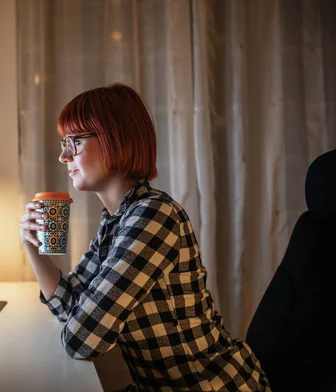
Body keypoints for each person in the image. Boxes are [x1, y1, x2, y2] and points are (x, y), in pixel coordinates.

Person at [19, 83, 271, 391]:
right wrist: (33, 249)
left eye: (73, 142)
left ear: (114, 139)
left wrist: (80, 318)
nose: (63, 156)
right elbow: (69, 305)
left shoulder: (153, 216)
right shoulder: (117, 222)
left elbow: (81, 340)